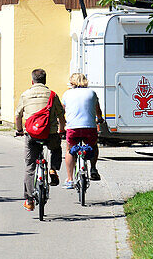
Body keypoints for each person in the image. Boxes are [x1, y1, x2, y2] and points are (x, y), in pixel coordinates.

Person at [15, 67, 66, 210]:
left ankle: (29, 200)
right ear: (45, 80)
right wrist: (61, 130)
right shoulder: (52, 95)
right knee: (56, 149)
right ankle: (53, 169)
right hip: (50, 134)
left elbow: (18, 115)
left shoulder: (25, 95)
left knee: (30, 166)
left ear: (32, 81)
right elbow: (61, 116)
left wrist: (20, 130)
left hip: (32, 134)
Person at [62, 71, 103, 186]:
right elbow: (98, 111)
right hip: (89, 127)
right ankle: (93, 168)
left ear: (72, 82)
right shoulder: (92, 93)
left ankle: (70, 179)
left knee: (70, 150)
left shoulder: (67, 94)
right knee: (93, 146)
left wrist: (64, 121)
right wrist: (100, 119)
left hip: (72, 128)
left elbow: (62, 110)